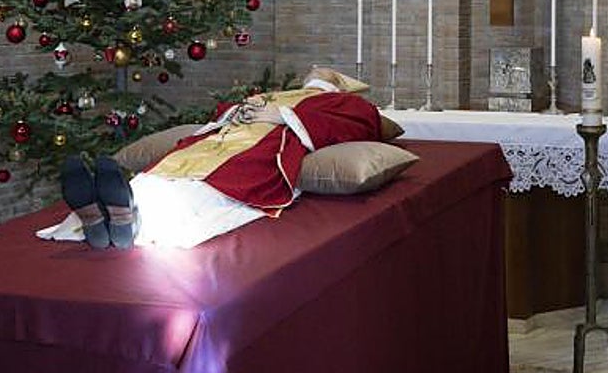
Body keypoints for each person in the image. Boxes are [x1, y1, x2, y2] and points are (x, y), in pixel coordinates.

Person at [45, 68, 384, 249]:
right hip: (221, 138)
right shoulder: (275, 93)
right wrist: (242, 110)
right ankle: (110, 214)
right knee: (167, 168)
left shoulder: (347, 104)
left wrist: (281, 117)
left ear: (335, 83)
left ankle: (124, 222)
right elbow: (223, 111)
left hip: (270, 142)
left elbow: (362, 126)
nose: (314, 71)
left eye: (322, 70)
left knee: (217, 181)